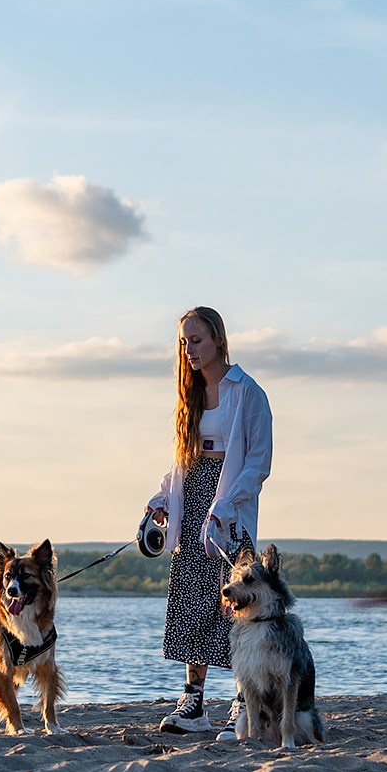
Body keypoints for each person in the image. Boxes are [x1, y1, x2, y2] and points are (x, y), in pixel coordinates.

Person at [136, 305, 273, 739]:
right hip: (190, 495)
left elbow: (258, 461)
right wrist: (162, 499)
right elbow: (181, 460)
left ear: (217, 338)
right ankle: (193, 703)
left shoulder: (247, 390)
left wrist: (228, 504)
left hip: (228, 504)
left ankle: (241, 704)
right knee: (191, 598)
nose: (189, 350)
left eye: (196, 340)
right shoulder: (188, 394)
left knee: (234, 603)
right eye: (183, 342)